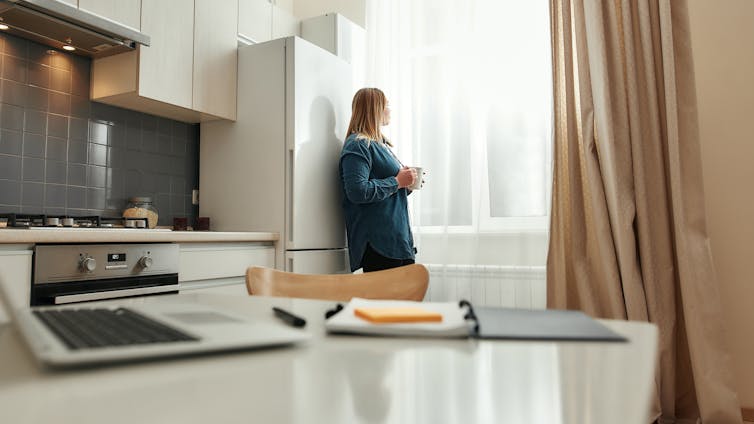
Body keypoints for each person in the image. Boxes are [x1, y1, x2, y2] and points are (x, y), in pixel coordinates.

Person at [339, 88, 417, 272]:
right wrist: (397, 182)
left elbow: (389, 188)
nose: (390, 109)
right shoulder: (358, 145)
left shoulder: (380, 145)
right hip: (380, 245)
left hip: (397, 241)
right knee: (384, 301)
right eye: (387, 105)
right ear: (376, 109)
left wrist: (406, 184)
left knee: (402, 300)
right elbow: (357, 191)